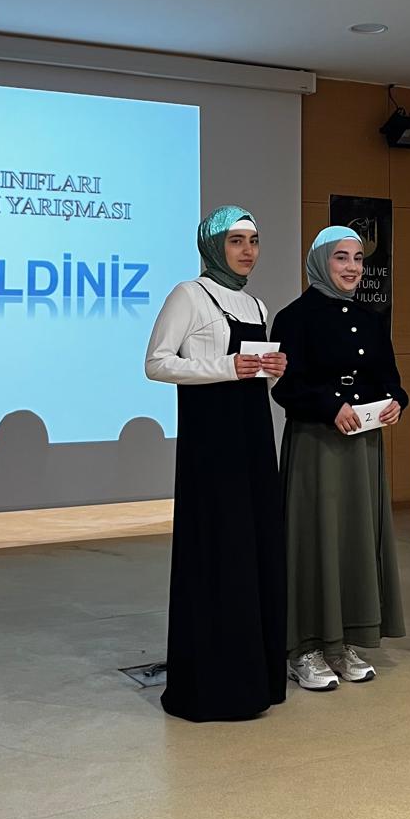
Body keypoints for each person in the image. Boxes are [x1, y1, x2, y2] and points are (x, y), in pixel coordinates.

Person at [144, 206, 288, 722]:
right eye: (236, 241)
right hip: (212, 445)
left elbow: (252, 373)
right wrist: (226, 366)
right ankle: (214, 687)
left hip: (254, 440)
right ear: (212, 246)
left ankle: (257, 678)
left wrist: (272, 368)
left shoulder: (255, 302)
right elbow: (156, 362)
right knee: (219, 550)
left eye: (254, 240)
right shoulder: (189, 294)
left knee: (254, 550)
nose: (248, 251)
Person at [272, 227, 407, 691]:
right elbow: (285, 386)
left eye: (358, 258)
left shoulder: (371, 318)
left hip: (362, 446)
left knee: (353, 539)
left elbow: (390, 377)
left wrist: (396, 401)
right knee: (314, 540)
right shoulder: (294, 318)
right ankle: (305, 648)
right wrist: (330, 406)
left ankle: (343, 640)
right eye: (341, 258)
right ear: (319, 262)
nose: (352, 267)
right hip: (317, 445)